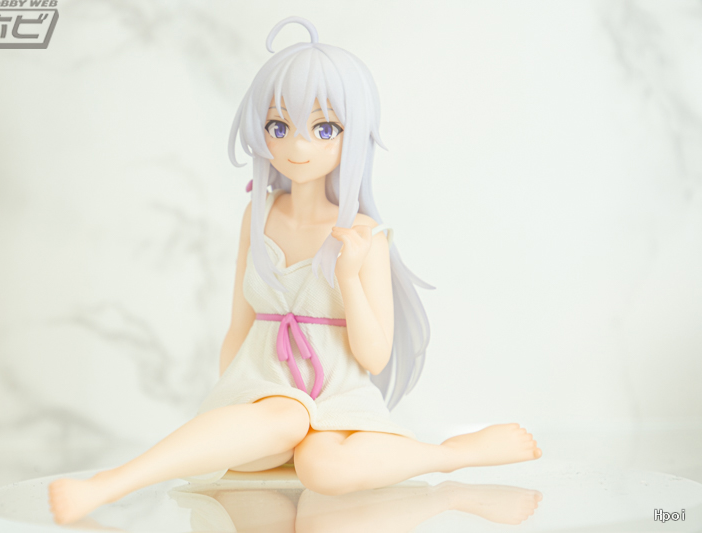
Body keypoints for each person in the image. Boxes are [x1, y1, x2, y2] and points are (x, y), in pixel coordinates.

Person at [48, 16, 541, 525]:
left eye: (324, 129)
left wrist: (348, 276)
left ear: (354, 136)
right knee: (284, 416)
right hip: (263, 396)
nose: (298, 147)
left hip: (338, 401)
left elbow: (374, 357)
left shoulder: (363, 235)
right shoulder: (257, 214)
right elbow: (239, 324)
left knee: (325, 468)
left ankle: (453, 455)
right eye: (279, 127)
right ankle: (108, 485)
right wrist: (231, 402)